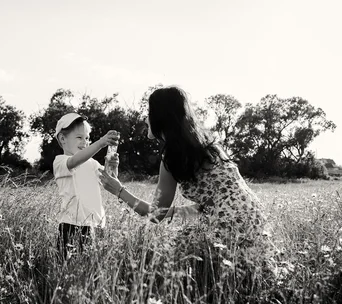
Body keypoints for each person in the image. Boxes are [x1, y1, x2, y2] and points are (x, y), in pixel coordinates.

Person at [99, 86, 273, 265]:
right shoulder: (210, 146)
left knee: (174, 260)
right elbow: (212, 203)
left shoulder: (173, 155)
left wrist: (119, 190)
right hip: (255, 217)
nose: (145, 118)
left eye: (149, 112)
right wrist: (175, 213)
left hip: (228, 223)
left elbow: (156, 215)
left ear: (161, 117)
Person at [53, 112, 120, 259]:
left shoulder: (92, 164)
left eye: (88, 138)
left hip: (95, 224)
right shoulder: (61, 161)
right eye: (79, 137)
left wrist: (112, 165)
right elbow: (75, 161)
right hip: (70, 225)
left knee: (90, 267)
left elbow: (109, 180)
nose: (85, 142)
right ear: (63, 138)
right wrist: (101, 143)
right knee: (67, 267)